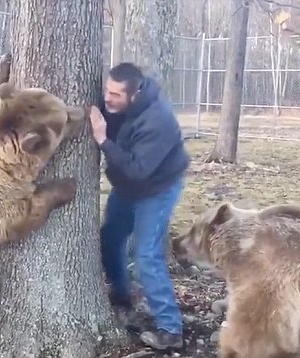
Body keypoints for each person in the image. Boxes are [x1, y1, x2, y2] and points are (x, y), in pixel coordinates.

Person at [89, 63, 190, 350]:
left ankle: (170, 329)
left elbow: (138, 169)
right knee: (109, 239)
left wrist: (102, 139)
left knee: (146, 255)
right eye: (107, 91)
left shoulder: (158, 121)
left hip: (156, 189)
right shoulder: (116, 103)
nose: (107, 99)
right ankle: (122, 295)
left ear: (134, 95)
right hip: (128, 185)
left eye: (115, 95)